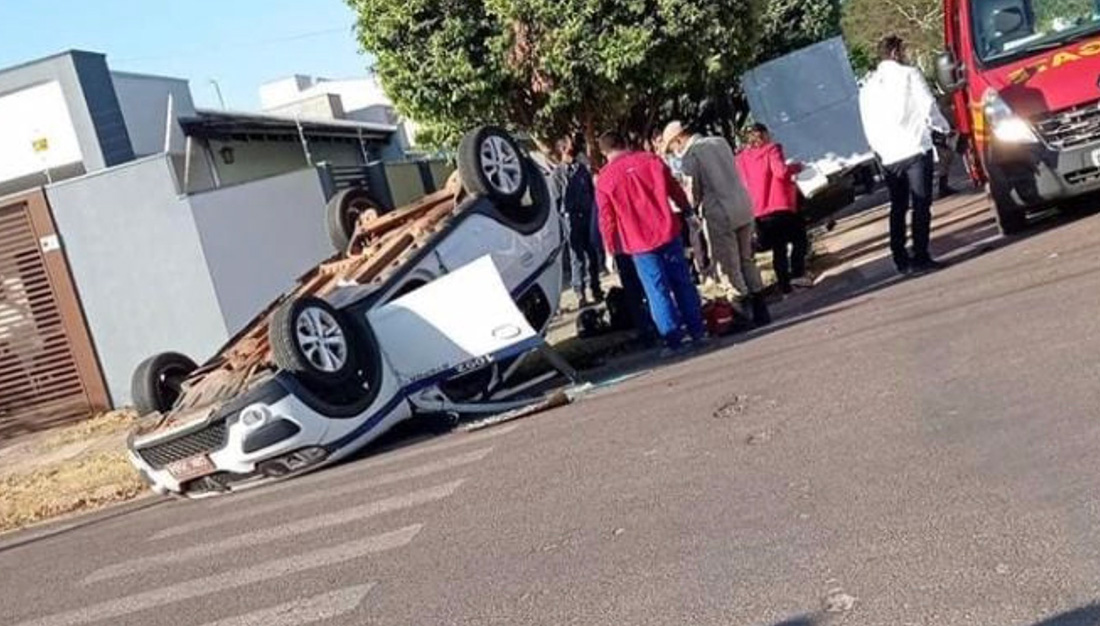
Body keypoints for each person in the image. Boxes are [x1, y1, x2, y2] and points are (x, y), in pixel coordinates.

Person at [595, 131, 706, 353]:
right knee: (682, 282)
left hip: (638, 242)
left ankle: (673, 339)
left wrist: (609, 250)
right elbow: (674, 189)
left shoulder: (605, 178)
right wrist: (687, 211)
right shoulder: (651, 160)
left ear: (604, 152)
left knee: (657, 290)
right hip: (667, 229)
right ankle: (697, 331)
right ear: (625, 142)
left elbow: (606, 218)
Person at [662, 121, 771, 326]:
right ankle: (760, 309)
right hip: (743, 205)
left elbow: (693, 193)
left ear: (678, 139)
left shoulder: (691, 155)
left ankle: (742, 313)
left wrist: (686, 206)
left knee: (729, 265)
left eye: (672, 147)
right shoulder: (719, 142)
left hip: (719, 211)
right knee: (747, 259)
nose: (674, 152)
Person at [859, 35, 951, 275]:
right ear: (895, 53)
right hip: (915, 147)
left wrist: (878, 148)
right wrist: (943, 129)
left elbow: (867, 123)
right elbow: (928, 106)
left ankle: (900, 258)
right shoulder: (910, 75)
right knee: (921, 203)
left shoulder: (867, 86)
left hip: (888, 154)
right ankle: (920, 255)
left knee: (897, 206)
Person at [735, 123, 812, 295]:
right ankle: (798, 274)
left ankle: (785, 287)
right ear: (764, 135)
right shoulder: (772, 150)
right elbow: (780, 172)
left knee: (779, 248)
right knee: (799, 239)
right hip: (780, 205)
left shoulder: (740, 159)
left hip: (759, 210)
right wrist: (797, 167)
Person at [555, 136, 604, 307]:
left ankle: (596, 288)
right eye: (568, 149)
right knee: (577, 258)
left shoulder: (582, 169)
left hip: (586, 215)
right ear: (561, 151)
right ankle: (580, 293)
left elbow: (591, 192)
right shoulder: (558, 173)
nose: (572, 152)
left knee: (592, 254)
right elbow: (557, 199)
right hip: (570, 219)